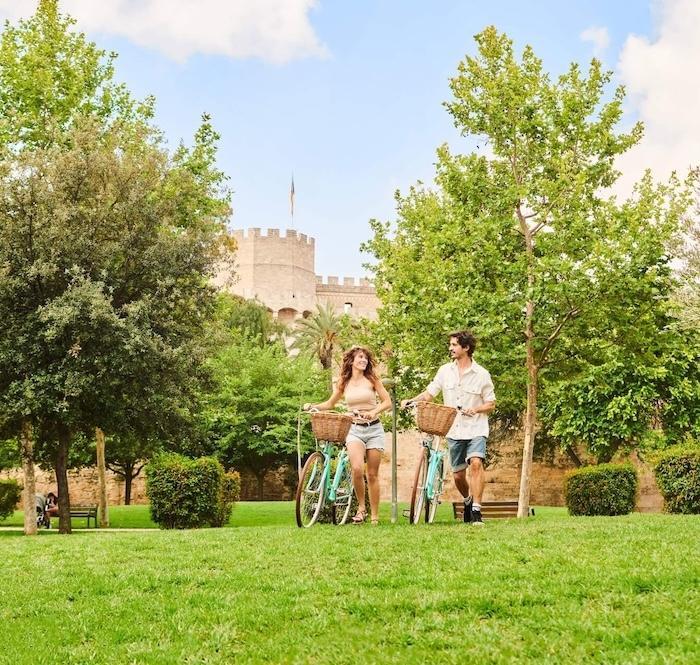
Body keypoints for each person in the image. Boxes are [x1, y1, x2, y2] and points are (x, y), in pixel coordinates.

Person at [402, 330, 496, 525]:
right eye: (451, 345)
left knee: (476, 463)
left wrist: (476, 409)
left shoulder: (482, 374)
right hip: (454, 429)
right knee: (458, 475)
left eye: (454, 345)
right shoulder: (445, 371)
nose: (450, 348)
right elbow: (429, 393)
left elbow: (491, 403)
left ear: (466, 347)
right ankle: (468, 500)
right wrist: (411, 400)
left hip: (476, 428)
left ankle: (477, 510)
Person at [304, 346, 392, 525]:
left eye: (366, 358)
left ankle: (375, 516)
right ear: (351, 361)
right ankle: (361, 508)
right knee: (357, 468)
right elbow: (330, 403)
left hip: (374, 429)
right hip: (354, 429)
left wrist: (374, 412)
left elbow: (387, 402)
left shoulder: (372, 379)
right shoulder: (344, 382)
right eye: (360, 357)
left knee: (372, 474)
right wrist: (312, 405)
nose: (364, 361)